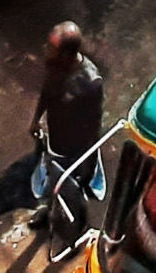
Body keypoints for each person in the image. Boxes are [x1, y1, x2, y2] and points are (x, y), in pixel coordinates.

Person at [30, 22, 105, 260]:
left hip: (76, 151)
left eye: (51, 47)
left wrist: (88, 165)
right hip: (55, 142)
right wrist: (36, 120)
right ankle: (49, 214)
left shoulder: (90, 83)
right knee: (51, 180)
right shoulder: (55, 67)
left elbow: (93, 128)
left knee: (72, 194)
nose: (45, 50)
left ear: (66, 54)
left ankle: (74, 233)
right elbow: (47, 91)